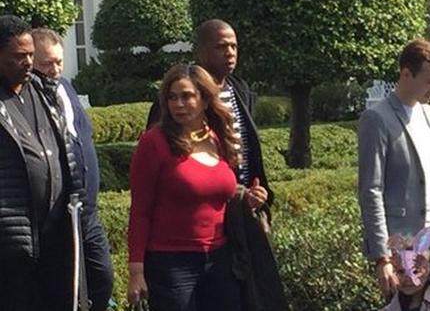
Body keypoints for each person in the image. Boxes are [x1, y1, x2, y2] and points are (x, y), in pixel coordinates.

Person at [146, 19, 287, 310]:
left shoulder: (239, 89)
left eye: (234, 46)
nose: (230, 52)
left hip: (239, 214)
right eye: (221, 46)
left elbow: (246, 147)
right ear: (201, 51)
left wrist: (254, 194)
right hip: (193, 232)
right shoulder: (178, 100)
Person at [127, 64, 269, 310]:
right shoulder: (154, 142)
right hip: (171, 264)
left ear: (205, 100)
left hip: (220, 259)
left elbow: (221, 194)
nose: (178, 104)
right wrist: (136, 272)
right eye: (172, 97)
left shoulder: (217, 137)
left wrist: (248, 200)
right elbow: (140, 211)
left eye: (187, 96)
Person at [0, 15, 85, 310]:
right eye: (17, 57)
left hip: (56, 236)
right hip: (12, 245)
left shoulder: (43, 92)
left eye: (30, 55)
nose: (27, 62)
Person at [357, 38, 430, 298]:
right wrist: (381, 257)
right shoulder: (377, 118)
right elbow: (371, 190)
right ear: (406, 74)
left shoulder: (429, 115)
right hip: (400, 246)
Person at [31, 27, 114, 311]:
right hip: (56, 216)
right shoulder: (28, 97)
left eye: (58, 62)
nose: (54, 70)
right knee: (64, 289)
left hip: (87, 211)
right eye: (46, 64)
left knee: (102, 277)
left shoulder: (65, 87)